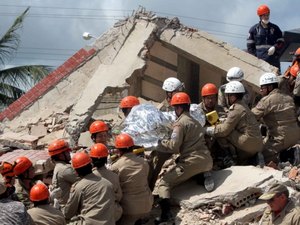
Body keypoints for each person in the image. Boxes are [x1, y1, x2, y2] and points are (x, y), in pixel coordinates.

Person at [153, 92, 213, 224]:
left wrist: (160, 143)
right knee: (182, 164)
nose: (175, 111)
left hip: (192, 161)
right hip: (207, 160)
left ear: (179, 108)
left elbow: (174, 147)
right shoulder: (195, 122)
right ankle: (202, 176)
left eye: (175, 108)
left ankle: (165, 216)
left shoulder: (179, 124)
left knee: (164, 183)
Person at [206, 81, 263, 165]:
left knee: (222, 132)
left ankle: (230, 159)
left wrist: (206, 129)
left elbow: (224, 130)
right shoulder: (243, 105)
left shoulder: (236, 108)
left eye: (227, 96)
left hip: (248, 143)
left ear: (232, 97)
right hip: (256, 143)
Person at [252, 73, 300, 164]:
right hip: (296, 135)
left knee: (261, 158)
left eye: (262, 87)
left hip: (281, 138)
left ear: (269, 87)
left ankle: (289, 155)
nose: (261, 90)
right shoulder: (288, 98)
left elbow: (251, 116)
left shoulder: (267, 100)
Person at [111, 133, 153, 225]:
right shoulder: (144, 163)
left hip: (129, 210)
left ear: (118, 150)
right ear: (132, 147)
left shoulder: (116, 166)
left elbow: (114, 188)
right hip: (147, 205)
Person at [64, 151, 115, 225]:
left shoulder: (79, 187)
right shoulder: (108, 183)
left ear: (76, 171)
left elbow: (68, 213)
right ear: (91, 165)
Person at [90, 143, 123, 222]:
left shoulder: (89, 177)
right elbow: (119, 196)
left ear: (91, 159)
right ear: (106, 159)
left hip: (95, 215)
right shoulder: (114, 176)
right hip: (114, 213)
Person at [247, 4, 284, 71]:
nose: (266, 17)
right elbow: (250, 47)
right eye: (264, 15)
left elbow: (281, 42)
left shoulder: (275, 28)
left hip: (274, 62)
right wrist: (256, 58)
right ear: (260, 16)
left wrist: (275, 47)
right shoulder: (254, 30)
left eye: (268, 15)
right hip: (260, 63)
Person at [48, 139, 78, 209]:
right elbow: (84, 180)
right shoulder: (64, 169)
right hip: (68, 207)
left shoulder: (59, 167)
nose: (69, 154)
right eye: (67, 152)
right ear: (61, 156)